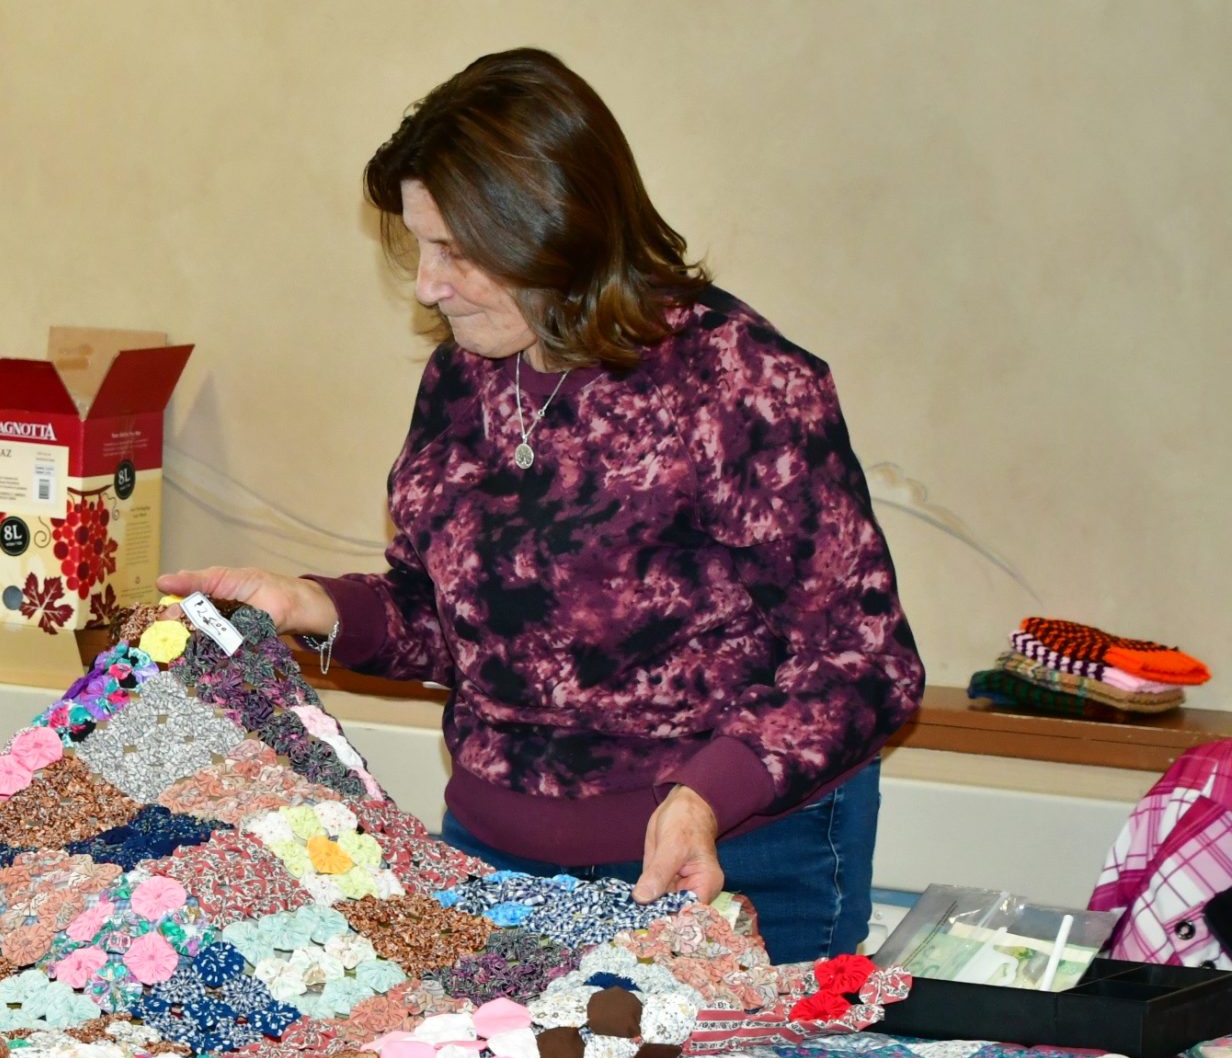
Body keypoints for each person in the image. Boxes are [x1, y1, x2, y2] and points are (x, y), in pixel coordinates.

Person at [164, 48, 922, 965]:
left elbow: (864, 662)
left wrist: (707, 792)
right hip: (497, 861)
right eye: (419, 246)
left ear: (556, 231)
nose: (426, 284)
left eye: (454, 251)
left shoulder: (739, 381)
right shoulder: (464, 377)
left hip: (733, 860)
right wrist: (310, 604)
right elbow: (461, 621)